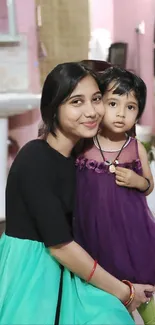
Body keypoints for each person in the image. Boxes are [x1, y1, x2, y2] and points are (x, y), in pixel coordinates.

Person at [0, 62, 152, 325]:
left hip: (72, 266)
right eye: (76, 102)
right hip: (34, 273)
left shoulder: (79, 158)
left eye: (96, 99)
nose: (91, 111)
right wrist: (124, 292)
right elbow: (60, 246)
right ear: (54, 109)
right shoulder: (34, 158)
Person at [74, 66, 155, 325]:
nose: (121, 113)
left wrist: (137, 180)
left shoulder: (135, 148)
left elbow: (149, 186)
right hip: (93, 230)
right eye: (113, 103)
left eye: (130, 107)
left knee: (142, 280)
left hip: (132, 231)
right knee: (103, 289)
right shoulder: (84, 144)